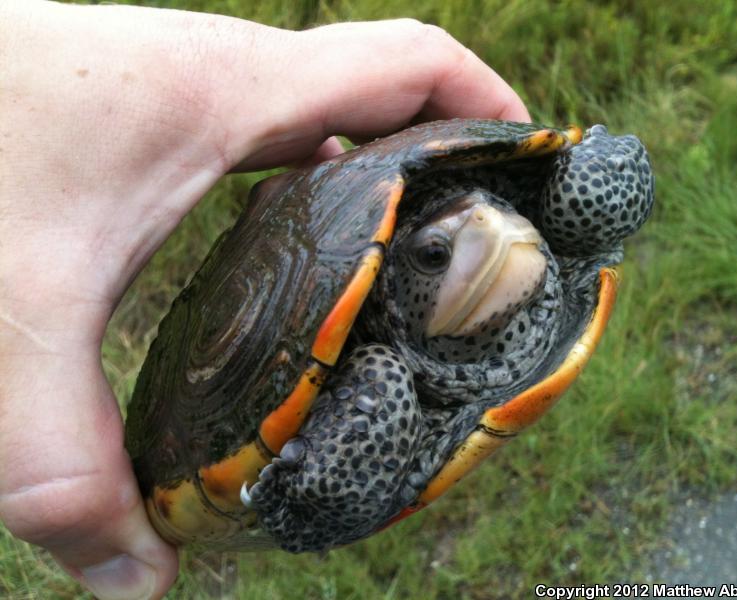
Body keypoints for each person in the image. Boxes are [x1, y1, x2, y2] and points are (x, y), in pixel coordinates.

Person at [0, 1, 531, 598]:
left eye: (502, 209)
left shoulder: (526, 236)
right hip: (214, 414)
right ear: (400, 296)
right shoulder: (384, 374)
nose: (494, 225)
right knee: (382, 376)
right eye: (434, 256)